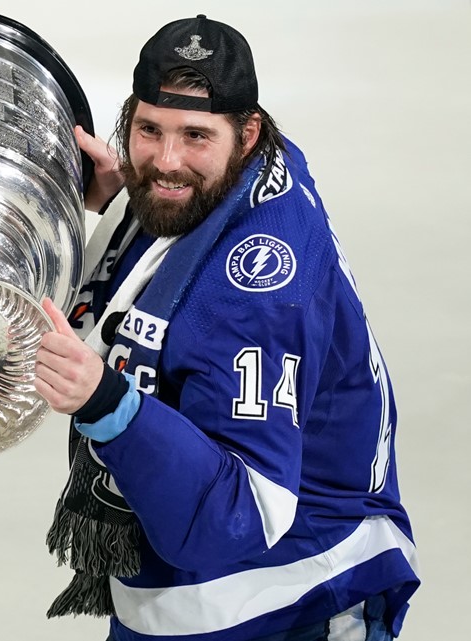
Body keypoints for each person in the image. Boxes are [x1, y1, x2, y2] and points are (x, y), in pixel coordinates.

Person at [33, 15, 418, 640]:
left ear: (247, 133)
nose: (166, 160)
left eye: (195, 137)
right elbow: (181, 230)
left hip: (290, 595)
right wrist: (124, 205)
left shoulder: (258, 293)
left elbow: (241, 515)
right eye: (148, 130)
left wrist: (106, 401)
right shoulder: (255, 174)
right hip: (193, 572)